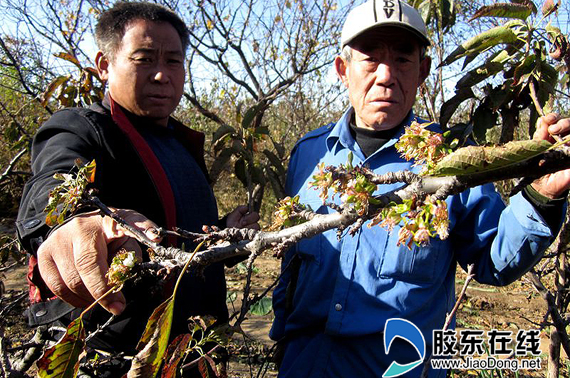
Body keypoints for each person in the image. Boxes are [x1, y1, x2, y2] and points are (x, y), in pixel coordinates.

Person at [269, 1, 570, 377]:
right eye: (371, 59)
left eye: (402, 60)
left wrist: (543, 195)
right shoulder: (308, 155)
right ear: (343, 70)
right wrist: (282, 338)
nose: (386, 75)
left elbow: (494, 261)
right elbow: (291, 267)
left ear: (423, 71)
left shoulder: (451, 161)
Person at [16, 1, 258, 374]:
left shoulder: (182, 144)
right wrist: (71, 221)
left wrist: (226, 238)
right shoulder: (82, 128)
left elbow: (173, 241)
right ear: (103, 65)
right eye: (144, 59)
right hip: (118, 360)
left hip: (195, 354)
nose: (162, 75)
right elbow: (53, 182)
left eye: (174, 61)